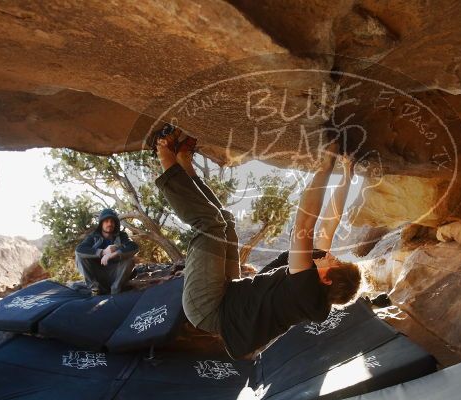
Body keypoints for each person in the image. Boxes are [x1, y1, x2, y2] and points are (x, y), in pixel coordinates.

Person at [154, 128, 361, 359]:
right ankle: (184, 163)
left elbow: (305, 222)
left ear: (326, 277)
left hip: (208, 308)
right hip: (230, 293)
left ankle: (165, 155)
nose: (332, 256)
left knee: (210, 226)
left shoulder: (306, 290)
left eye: (336, 262)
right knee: (226, 223)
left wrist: (326, 165)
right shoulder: (316, 281)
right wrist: (347, 174)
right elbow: (330, 223)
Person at [74, 208, 139, 295]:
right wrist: (103, 252)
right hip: (98, 274)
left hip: (116, 274)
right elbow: (79, 250)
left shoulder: (121, 235)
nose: (110, 224)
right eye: (106, 221)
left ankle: (116, 289)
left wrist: (114, 253)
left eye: (112, 221)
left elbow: (134, 247)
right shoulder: (93, 236)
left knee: (131, 259)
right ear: (101, 223)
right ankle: (95, 289)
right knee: (80, 256)